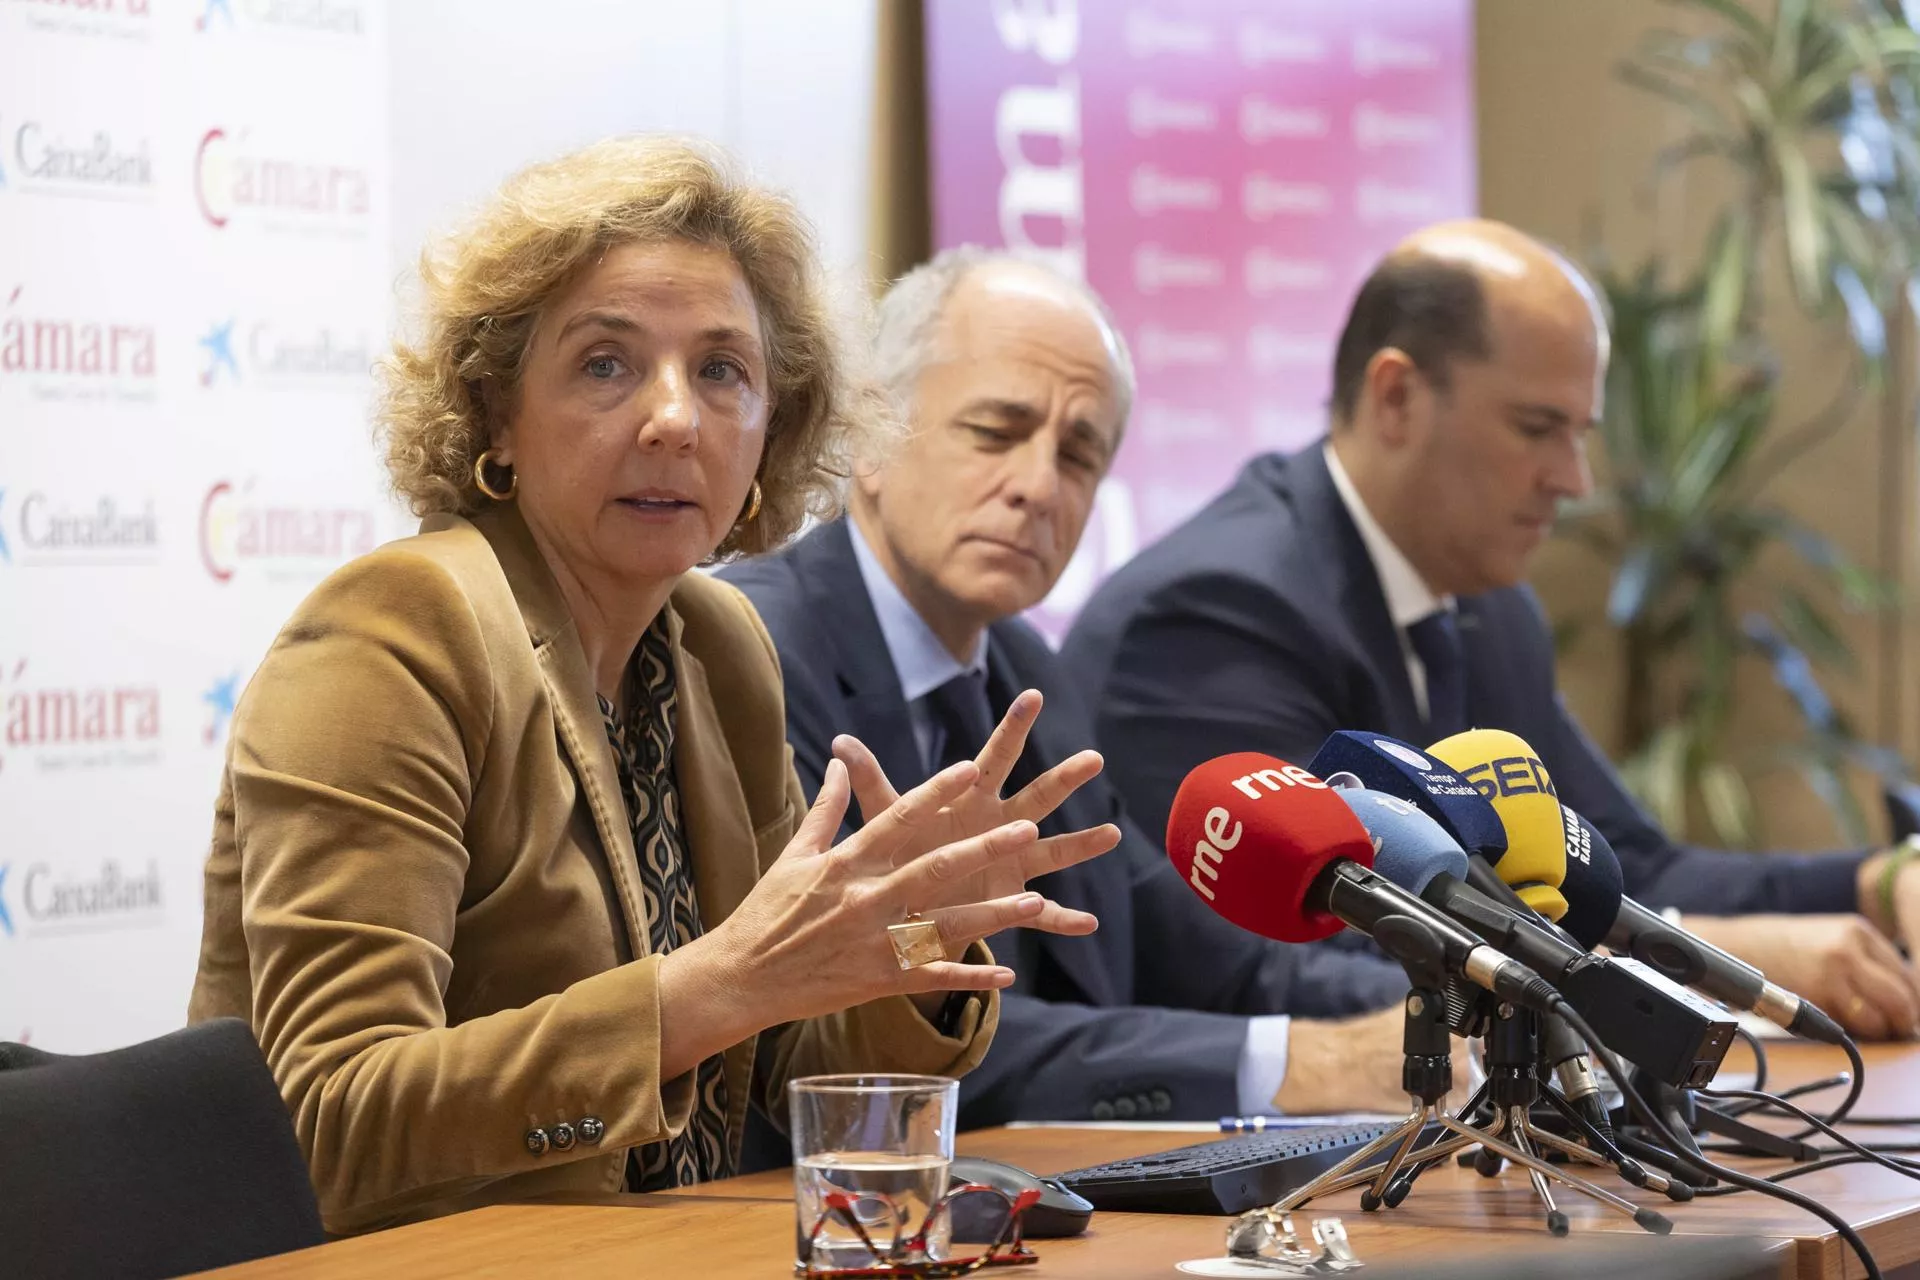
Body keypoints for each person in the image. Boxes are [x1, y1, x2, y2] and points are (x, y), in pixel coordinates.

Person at [187, 139, 1122, 1235]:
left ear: (774, 428)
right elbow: (329, 1118)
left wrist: (914, 938)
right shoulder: (394, 634)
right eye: (606, 364)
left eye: (722, 371)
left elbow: (793, 1050)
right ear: (496, 413)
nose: (676, 418)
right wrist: (710, 989)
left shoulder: (719, 648)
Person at [1062, 218, 1920, 1041]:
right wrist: (1665, 962)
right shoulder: (1214, 613)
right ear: (1396, 397)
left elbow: (1621, 868)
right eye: (1539, 429)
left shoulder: (1488, 604)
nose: (1576, 480)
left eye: (1580, 435)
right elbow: (1292, 961)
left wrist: (1876, 882)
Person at [724, 247, 1431, 1129]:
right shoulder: (755, 654)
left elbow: (1215, 962)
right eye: (995, 432)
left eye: (1078, 455)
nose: (1036, 488)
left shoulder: (1025, 671)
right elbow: (881, 1032)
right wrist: (1303, 1063)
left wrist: (1461, 996)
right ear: (870, 438)